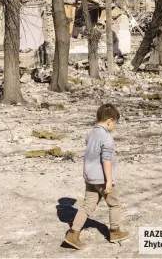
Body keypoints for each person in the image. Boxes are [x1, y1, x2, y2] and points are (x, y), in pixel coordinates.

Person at [64, 103, 129, 249]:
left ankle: (73, 234)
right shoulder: (107, 138)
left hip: (89, 177)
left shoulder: (91, 134)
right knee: (114, 204)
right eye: (115, 123)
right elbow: (106, 160)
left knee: (87, 206)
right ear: (109, 121)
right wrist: (109, 181)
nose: (114, 126)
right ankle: (114, 231)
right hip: (102, 178)